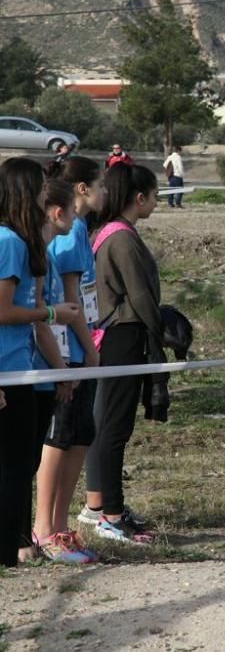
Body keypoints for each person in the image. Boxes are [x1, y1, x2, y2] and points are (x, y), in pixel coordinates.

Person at [0, 158, 79, 567]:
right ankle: (11, 546)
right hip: (10, 370)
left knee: (21, 461)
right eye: (37, 190)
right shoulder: (9, 243)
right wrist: (51, 314)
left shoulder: (16, 241)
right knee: (16, 463)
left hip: (22, 368)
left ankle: (16, 541)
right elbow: (3, 311)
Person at [81, 163, 164, 544]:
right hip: (122, 336)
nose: (158, 201)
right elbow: (140, 294)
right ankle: (111, 514)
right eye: (155, 194)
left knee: (108, 424)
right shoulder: (123, 238)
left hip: (113, 334)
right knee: (114, 427)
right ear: (140, 197)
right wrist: (160, 327)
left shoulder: (107, 232)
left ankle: (100, 504)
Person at [38, 157, 104, 561]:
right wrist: (90, 346)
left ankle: (62, 525)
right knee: (59, 437)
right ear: (81, 189)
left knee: (81, 433)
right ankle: (45, 528)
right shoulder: (70, 230)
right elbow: (70, 297)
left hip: (80, 345)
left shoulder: (80, 229)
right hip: (68, 349)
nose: (106, 192)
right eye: (101, 184)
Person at [24, 178, 84, 563]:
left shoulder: (42, 250)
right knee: (44, 445)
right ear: (57, 212)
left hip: (51, 362)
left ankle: (47, 531)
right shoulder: (34, 252)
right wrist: (62, 369)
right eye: (74, 209)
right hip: (37, 365)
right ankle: (41, 532)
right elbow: (41, 320)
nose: (78, 216)